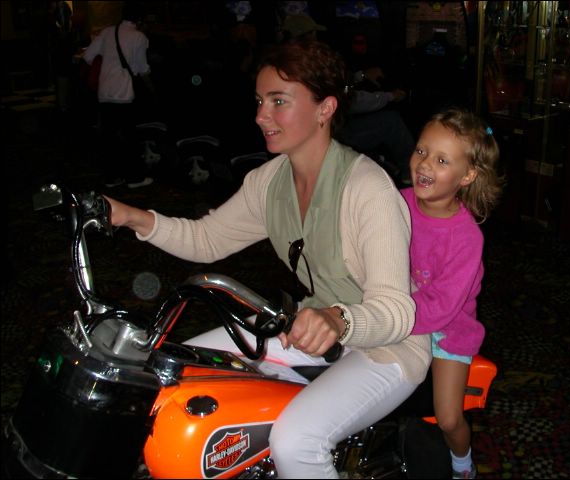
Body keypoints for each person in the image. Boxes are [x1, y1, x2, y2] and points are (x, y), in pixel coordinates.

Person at [106, 39, 430, 478]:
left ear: (325, 108)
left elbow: (397, 312)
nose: (261, 116)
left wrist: (338, 319)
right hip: (313, 324)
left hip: (389, 347)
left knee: (296, 440)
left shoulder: (367, 189)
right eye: (260, 101)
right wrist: (130, 216)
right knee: (176, 371)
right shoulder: (270, 181)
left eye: (279, 101)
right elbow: (207, 239)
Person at [400, 107, 503, 480]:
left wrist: (389, 317)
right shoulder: (397, 202)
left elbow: (442, 307)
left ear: (467, 176)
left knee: (447, 417)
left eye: (442, 160)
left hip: (448, 331)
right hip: (399, 311)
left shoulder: (465, 237)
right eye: (421, 150)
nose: (425, 163)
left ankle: (463, 464)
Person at [82, 1, 153, 189]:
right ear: (140, 19)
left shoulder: (107, 32)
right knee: (130, 137)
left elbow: (88, 56)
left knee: (109, 137)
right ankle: (134, 177)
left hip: (105, 92)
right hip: (124, 93)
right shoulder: (139, 37)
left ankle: (111, 177)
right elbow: (141, 68)